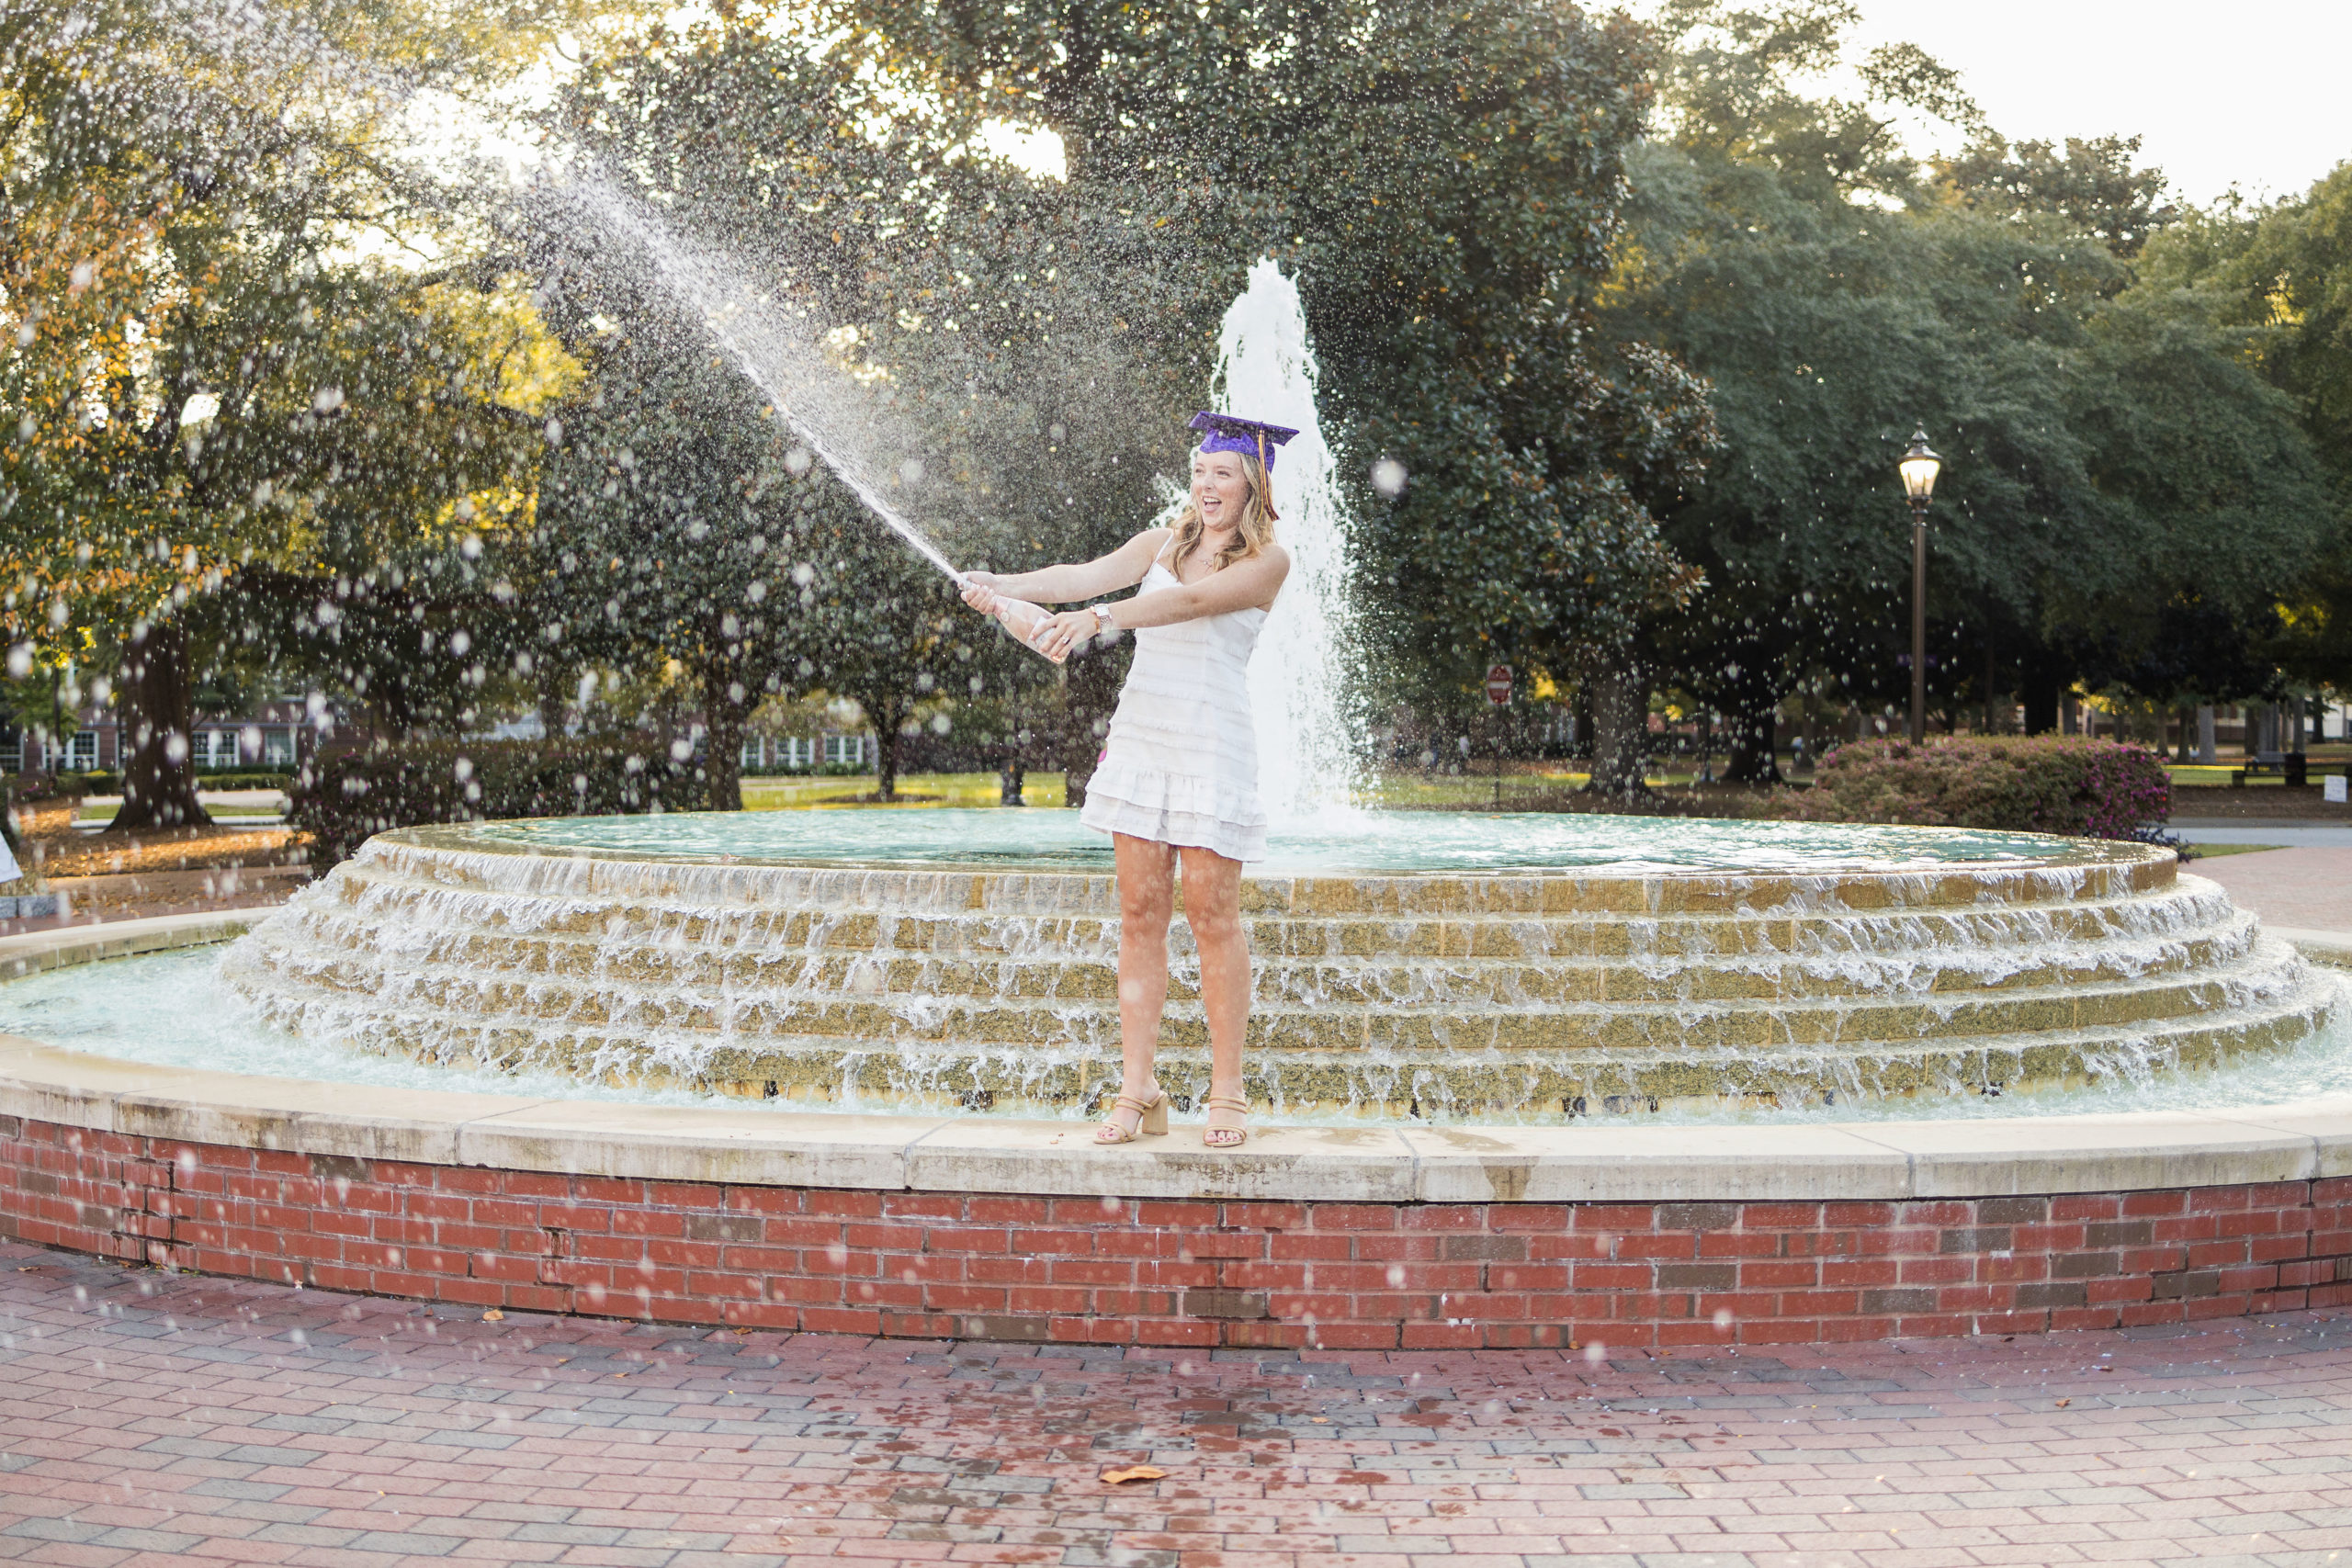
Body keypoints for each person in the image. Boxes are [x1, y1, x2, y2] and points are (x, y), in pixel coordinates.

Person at [960, 411, 1294, 1149]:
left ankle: (1227, 1089)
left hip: (1212, 741)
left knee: (1213, 914)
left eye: (1224, 474)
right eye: (1201, 471)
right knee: (1141, 912)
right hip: (1144, 735)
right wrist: (1004, 585)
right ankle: (1138, 1087)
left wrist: (1097, 619)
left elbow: (1194, 604)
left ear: (1253, 485)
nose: (1207, 486)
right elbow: (1082, 576)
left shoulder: (1268, 562)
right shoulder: (1160, 544)